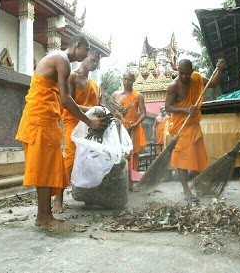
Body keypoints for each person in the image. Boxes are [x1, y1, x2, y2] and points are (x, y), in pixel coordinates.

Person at [15, 34, 107, 230]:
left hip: (46, 119)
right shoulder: (63, 61)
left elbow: (62, 99)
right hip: (40, 119)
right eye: (86, 50)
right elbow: (66, 100)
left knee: (49, 168)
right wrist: (89, 122)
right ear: (77, 45)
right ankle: (44, 218)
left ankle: (44, 216)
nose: (86, 55)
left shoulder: (63, 62)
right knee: (43, 170)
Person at [165, 58, 225, 202]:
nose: (184, 76)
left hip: (193, 125)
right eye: (181, 73)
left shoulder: (197, 78)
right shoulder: (173, 86)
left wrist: (220, 69)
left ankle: (199, 186)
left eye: (187, 73)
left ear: (192, 71)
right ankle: (187, 191)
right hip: (181, 127)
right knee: (182, 161)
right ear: (177, 71)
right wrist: (185, 109)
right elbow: (167, 107)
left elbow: (213, 83)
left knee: (198, 157)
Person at [52, 49, 102, 213]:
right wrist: (91, 110)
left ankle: (87, 195)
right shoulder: (72, 77)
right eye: (92, 59)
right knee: (71, 160)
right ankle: (58, 198)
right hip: (73, 122)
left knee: (89, 160)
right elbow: (67, 102)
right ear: (85, 57)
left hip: (89, 126)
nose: (94, 64)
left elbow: (96, 108)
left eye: (97, 62)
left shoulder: (94, 85)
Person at [112, 71, 147, 189]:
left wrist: (136, 124)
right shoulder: (115, 95)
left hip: (133, 128)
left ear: (133, 80)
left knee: (133, 156)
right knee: (119, 154)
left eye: (129, 79)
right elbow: (111, 111)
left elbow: (143, 113)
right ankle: (120, 182)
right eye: (124, 79)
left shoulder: (138, 96)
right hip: (118, 129)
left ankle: (131, 183)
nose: (126, 82)